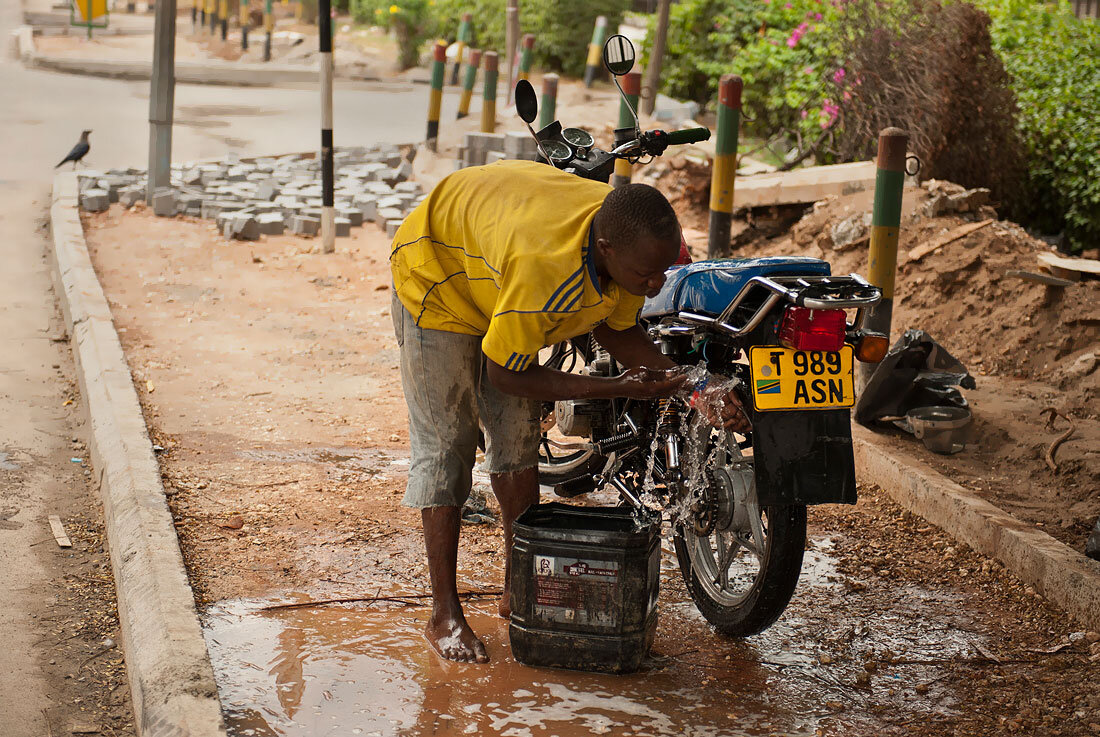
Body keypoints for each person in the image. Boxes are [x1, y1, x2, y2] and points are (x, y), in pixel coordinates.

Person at [389, 159, 746, 663]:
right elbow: (504, 374)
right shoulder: (545, 270)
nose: (654, 285)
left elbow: (618, 330)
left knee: (516, 444)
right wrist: (613, 387)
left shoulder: (621, 250)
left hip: (495, 268)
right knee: (448, 445)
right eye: (647, 275)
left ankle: (520, 585)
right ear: (606, 250)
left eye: (663, 271)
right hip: (438, 275)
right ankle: (443, 614)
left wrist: (694, 384)